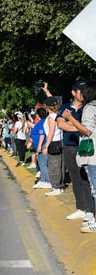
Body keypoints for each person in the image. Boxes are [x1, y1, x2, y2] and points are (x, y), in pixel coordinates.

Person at [59, 80, 95, 222]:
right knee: (75, 178)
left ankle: (90, 210)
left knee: (87, 180)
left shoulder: (88, 107)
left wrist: (74, 123)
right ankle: (81, 208)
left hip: (87, 147)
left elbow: (88, 129)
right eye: (80, 90)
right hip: (70, 147)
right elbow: (62, 125)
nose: (83, 93)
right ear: (74, 92)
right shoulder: (66, 107)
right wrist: (78, 125)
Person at [42, 97, 64, 196]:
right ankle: (61, 185)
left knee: (53, 165)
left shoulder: (51, 117)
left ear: (47, 107)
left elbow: (51, 132)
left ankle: (56, 187)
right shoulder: (59, 115)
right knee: (61, 165)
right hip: (60, 141)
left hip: (53, 142)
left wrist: (46, 146)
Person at [31, 108, 52, 189]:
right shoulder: (42, 122)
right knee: (41, 164)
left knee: (43, 164)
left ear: (37, 115)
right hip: (39, 145)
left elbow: (42, 134)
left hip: (41, 145)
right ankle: (43, 180)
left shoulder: (41, 123)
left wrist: (39, 146)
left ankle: (47, 181)